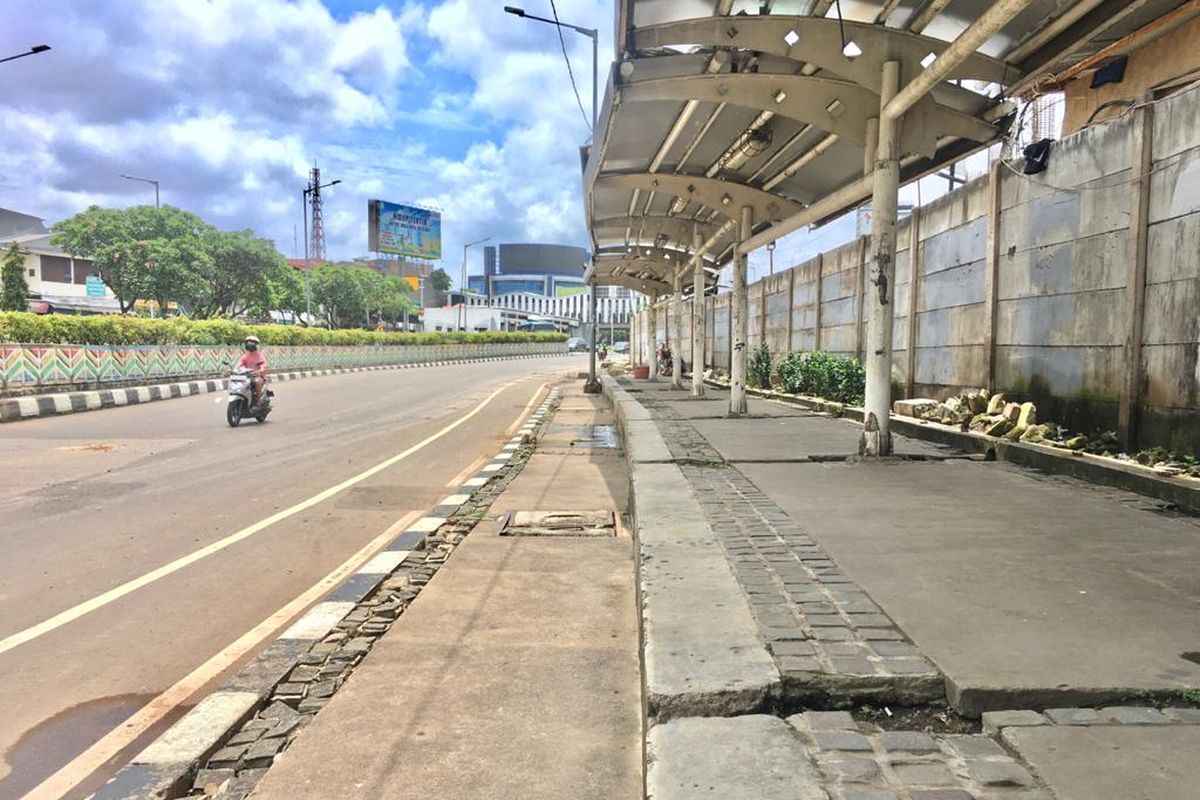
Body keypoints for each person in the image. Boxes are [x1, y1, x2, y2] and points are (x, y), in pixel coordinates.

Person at [237, 335, 268, 407]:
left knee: (257, 381)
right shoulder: (245, 356)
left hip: (257, 376)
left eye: (252, 343)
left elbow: (263, 366)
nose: (250, 344)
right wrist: (234, 370)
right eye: (248, 342)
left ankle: (258, 402)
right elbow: (239, 365)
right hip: (247, 376)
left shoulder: (260, 356)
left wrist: (260, 370)